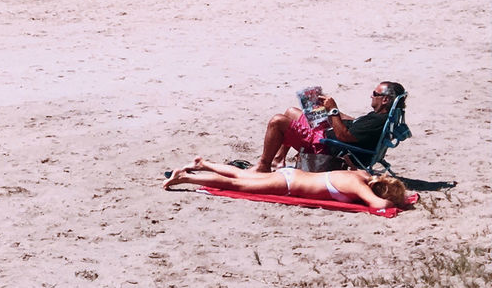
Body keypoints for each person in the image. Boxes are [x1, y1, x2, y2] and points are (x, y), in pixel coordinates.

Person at [252, 81, 405, 172]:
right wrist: (328, 110)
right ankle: (278, 160)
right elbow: (355, 124)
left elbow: (343, 137)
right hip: (330, 136)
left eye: (375, 93)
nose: (371, 96)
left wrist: (333, 110)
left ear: (385, 99)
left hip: (325, 146)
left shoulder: (377, 121)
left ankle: (263, 166)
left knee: (277, 121)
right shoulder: (382, 117)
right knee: (291, 112)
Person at [163, 158, 413, 212]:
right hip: (289, 185)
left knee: (242, 176)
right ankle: (186, 178)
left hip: (290, 174)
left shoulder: (360, 175)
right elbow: (380, 205)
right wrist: (399, 204)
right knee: (234, 185)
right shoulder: (359, 188)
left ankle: (203, 163)